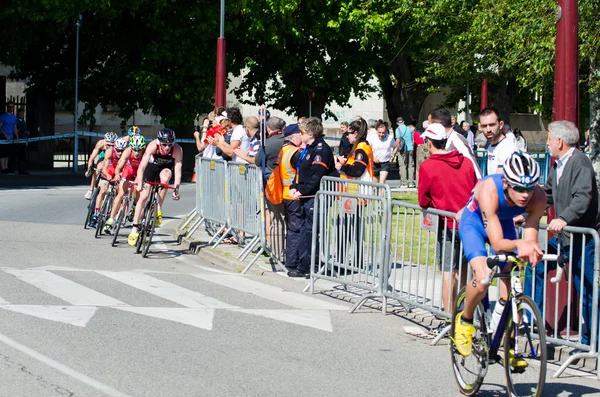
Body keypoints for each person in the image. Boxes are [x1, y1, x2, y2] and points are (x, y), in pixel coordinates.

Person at [453, 152, 545, 360]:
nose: (525, 195)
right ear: (505, 183)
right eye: (519, 188)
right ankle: (465, 320)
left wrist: (531, 248)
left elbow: (530, 238)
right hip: (474, 224)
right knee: (484, 276)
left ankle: (509, 343)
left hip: (503, 225)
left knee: (514, 280)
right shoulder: (489, 190)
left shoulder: (538, 197)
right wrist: (521, 243)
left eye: (530, 188)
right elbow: (497, 243)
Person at [524, 121, 600, 354]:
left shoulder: (580, 163)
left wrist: (563, 218)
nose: (546, 142)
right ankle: (532, 320)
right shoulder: (559, 165)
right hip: (565, 236)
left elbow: (583, 198)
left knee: (586, 288)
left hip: (582, 237)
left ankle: (591, 341)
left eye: (548, 138)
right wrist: (525, 212)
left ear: (559, 141)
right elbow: (546, 193)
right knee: (535, 264)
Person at [418, 123, 477, 325]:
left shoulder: (427, 166)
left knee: (447, 272)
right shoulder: (466, 163)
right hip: (470, 224)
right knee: (464, 271)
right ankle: (464, 315)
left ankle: (449, 319)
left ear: (428, 142)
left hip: (448, 223)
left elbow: (423, 200)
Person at [287, 117, 335, 278]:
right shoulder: (308, 148)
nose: (300, 136)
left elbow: (316, 176)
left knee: (311, 231)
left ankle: (311, 265)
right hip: (306, 195)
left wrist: (302, 191)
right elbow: (301, 170)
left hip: (315, 195)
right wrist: (295, 187)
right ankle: (304, 263)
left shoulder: (321, 149)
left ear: (311, 133)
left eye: (302, 133)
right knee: (306, 230)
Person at [128, 128, 182, 246]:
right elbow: (141, 167)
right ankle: (134, 229)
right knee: (143, 197)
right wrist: (140, 183)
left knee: (166, 177)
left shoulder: (177, 149)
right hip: (151, 168)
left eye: (170, 144)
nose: (167, 147)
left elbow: (177, 170)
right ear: (159, 142)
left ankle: (158, 207)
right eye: (164, 144)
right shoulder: (152, 146)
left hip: (165, 169)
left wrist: (176, 189)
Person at [254, 116, 287, 262]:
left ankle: (278, 254)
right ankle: (289, 253)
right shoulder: (289, 141)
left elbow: (257, 161)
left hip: (273, 185)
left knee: (277, 219)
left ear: (268, 129)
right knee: (290, 220)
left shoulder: (267, 143)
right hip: (290, 185)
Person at [104, 135, 147, 233]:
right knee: (121, 194)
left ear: (143, 148)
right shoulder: (127, 151)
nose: (136, 153)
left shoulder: (146, 154)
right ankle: (111, 219)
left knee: (137, 190)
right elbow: (119, 166)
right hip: (129, 170)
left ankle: (135, 206)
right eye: (134, 150)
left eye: (139, 150)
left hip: (141, 172)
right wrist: (117, 175)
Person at [429, 108, 482, 179]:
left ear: (438, 125)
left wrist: (479, 187)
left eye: (430, 124)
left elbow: (473, 166)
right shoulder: (443, 139)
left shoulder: (457, 139)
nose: (428, 128)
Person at [88, 137, 128, 228]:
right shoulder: (110, 151)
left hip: (121, 171)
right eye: (118, 150)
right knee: (103, 190)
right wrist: (107, 175)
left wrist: (121, 177)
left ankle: (113, 214)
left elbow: (127, 169)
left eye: (122, 150)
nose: (120, 153)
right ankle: (96, 214)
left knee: (119, 192)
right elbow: (104, 167)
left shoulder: (127, 154)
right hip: (110, 169)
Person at [278, 124, 303, 270]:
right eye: (300, 133)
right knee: (296, 229)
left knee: (292, 228)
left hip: (286, 193)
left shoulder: (284, 150)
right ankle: (293, 261)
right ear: (293, 136)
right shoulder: (295, 152)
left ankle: (292, 258)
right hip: (294, 194)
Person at [480, 107, 518, 175]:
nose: (488, 130)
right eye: (484, 126)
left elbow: (499, 179)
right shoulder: (491, 146)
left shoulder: (507, 147)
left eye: (492, 125)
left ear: (501, 125)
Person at [85, 132, 118, 199]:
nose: (110, 146)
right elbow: (92, 158)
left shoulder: (118, 145)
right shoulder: (100, 143)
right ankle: (91, 190)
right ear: (105, 141)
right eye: (108, 144)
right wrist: (89, 169)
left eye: (112, 145)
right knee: (98, 168)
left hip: (113, 157)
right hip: (103, 155)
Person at [0, 101, 18, 175]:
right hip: (3, 137)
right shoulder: (3, 116)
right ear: (7, 107)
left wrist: (17, 137)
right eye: (9, 107)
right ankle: (3, 168)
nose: (10, 108)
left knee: (7, 154)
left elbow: (14, 127)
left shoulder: (14, 117)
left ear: (13, 108)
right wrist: (5, 135)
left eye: (12, 107)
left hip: (11, 138)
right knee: (2, 154)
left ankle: (6, 168)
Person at [395, 116, 414, 187]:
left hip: (402, 149)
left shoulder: (397, 129)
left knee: (403, 165)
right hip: (410, 148)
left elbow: (398, 141)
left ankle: (404, 183)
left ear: (397, 123)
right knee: (410, 165)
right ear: (403, 122)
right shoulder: (409, 129)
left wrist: (396, 149)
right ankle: (411, 182)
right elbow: (412, 139)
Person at [15, 109, 29, 175]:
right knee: (18, 156)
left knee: (23, 156)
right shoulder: (16, 121)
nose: (22, 115)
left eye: (23, 113)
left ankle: (23, 169)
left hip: (23, 140)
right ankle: (19, 169)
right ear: (18, 114)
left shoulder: (24, 122)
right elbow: (16, 131)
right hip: (19, 141)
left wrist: (26, 138)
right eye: (20, 113)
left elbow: (25, 131)